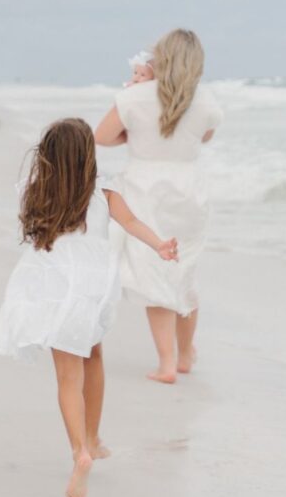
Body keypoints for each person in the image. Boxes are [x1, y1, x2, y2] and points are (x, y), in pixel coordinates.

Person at [0, 118, 177, 497]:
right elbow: (130, 222)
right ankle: (92, 438)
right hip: (92, 290)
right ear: (88, 157)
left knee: (67, 376)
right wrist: (160, 245)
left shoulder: (36, 191)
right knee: (93, 355)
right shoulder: (104, 192)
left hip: (53, 289)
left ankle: (81, 450)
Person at [94, 29, 221, 383]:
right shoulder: (205, 99)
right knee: (184, 272)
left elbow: (101, 136)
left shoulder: (135, 96)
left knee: (154, 272)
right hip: (188, 189)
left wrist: (133, 136)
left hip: (145, 187)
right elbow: (206, 135)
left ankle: (166, 364)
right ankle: (185, 356)